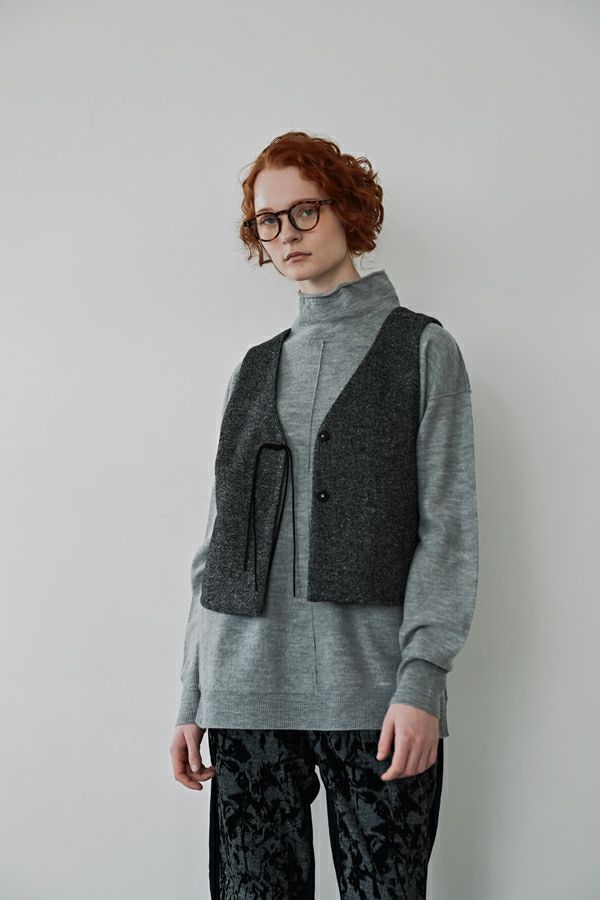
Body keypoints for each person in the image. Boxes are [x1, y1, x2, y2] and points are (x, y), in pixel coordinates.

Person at [169, 130, 479, 900]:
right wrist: (192, 695)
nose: (286, 234)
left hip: (376, 695)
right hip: (244, 695)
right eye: (267, 221)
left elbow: (448, 533)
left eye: (303, 211)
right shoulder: (253, 367)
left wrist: (421, 682)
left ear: (347, 209)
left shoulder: (423, 350)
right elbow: (216, 547)